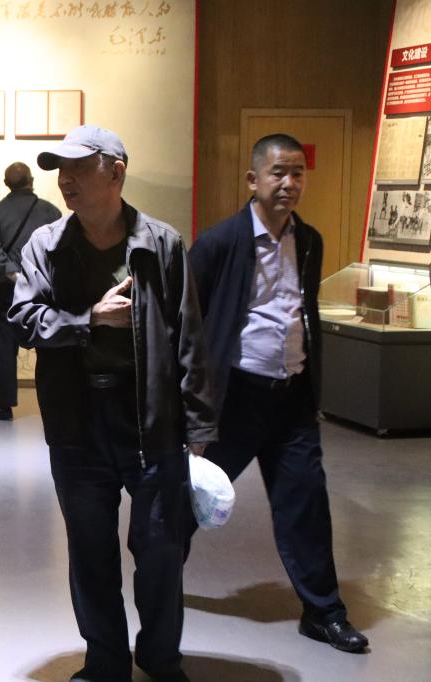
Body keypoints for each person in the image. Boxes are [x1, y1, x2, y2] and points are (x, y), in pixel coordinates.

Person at [10, 125, 216, 682]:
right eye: (60, 169)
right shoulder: (45, 245)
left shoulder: (161, 244)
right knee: (90, 550)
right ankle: (105, 661)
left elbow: (189, 336)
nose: (66, 180)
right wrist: (89, 320)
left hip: (150, 419)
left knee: (161, 550)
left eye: (79, 167)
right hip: (77, 421)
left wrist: (198, 425)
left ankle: (160, 658)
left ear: (116, 171)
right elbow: (23, 319)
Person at [186, 133, 369, 653]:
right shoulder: (218, 243)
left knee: (306, 504)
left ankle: (324, 613)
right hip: (234, 399)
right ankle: (154, 587)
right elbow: (188, 324)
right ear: (253, 179)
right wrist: (192, 408)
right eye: (278, 172)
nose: (289, 183)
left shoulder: (308, 240)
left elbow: (300, 311)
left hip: (291, 400)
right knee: (185, 502)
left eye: (298, 173)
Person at [0, 161, 61, 421]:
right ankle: (54, 403)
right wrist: (34, 280)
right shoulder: (51, 212)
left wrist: (17, 277)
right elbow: (59, 252)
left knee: (6, 349)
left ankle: (5, 406)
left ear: (7, 184)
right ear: (31, 180)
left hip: (6, 292)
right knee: (47, 348)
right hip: (43, 292)